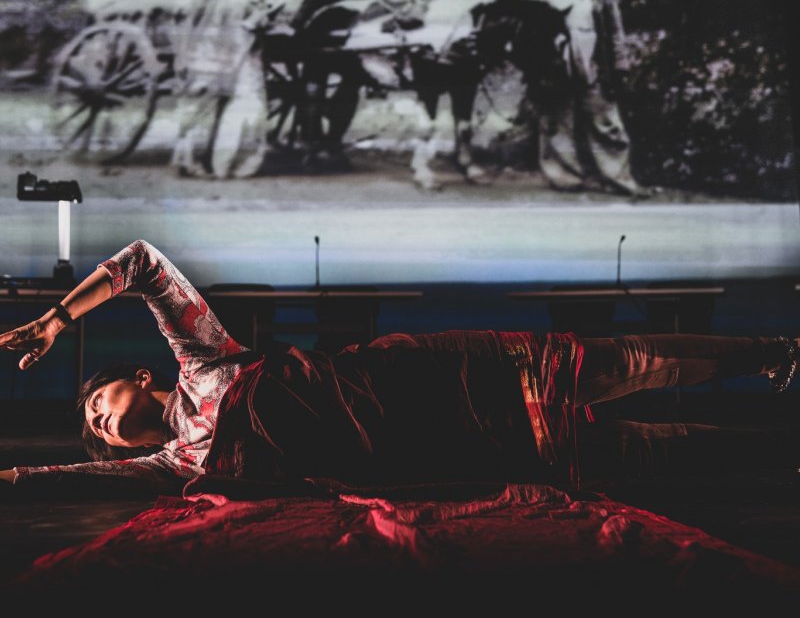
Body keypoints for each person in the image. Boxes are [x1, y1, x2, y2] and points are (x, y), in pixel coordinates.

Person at [0, 239, 797, 496]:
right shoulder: (178, 461)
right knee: (667, 452)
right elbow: (60, 479)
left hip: (461, 375)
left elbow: (141, 262)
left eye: (97, 399)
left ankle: (774, 352)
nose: (98, 421)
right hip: (463, 452)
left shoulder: (204, 358)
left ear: (140, 377)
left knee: (639, 361)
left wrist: (55, 317)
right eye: (97, 431)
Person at [529, 0, 648, 197]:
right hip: (557, 71)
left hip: (595, 68)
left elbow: (616, 36)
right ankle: (565, 177)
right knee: (558, 125)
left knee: (607, 124)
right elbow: (530, 39)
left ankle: (620, 178)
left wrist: (620, 67)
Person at [171, 0, 276, 180]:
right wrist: (183, 55)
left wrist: (260, 19)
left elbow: (264, 12)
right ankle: (192, 162)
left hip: (245, 49)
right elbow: (189, 19)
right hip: (209, 51)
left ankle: (231, 164)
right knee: (202, 107)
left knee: (248, 102)